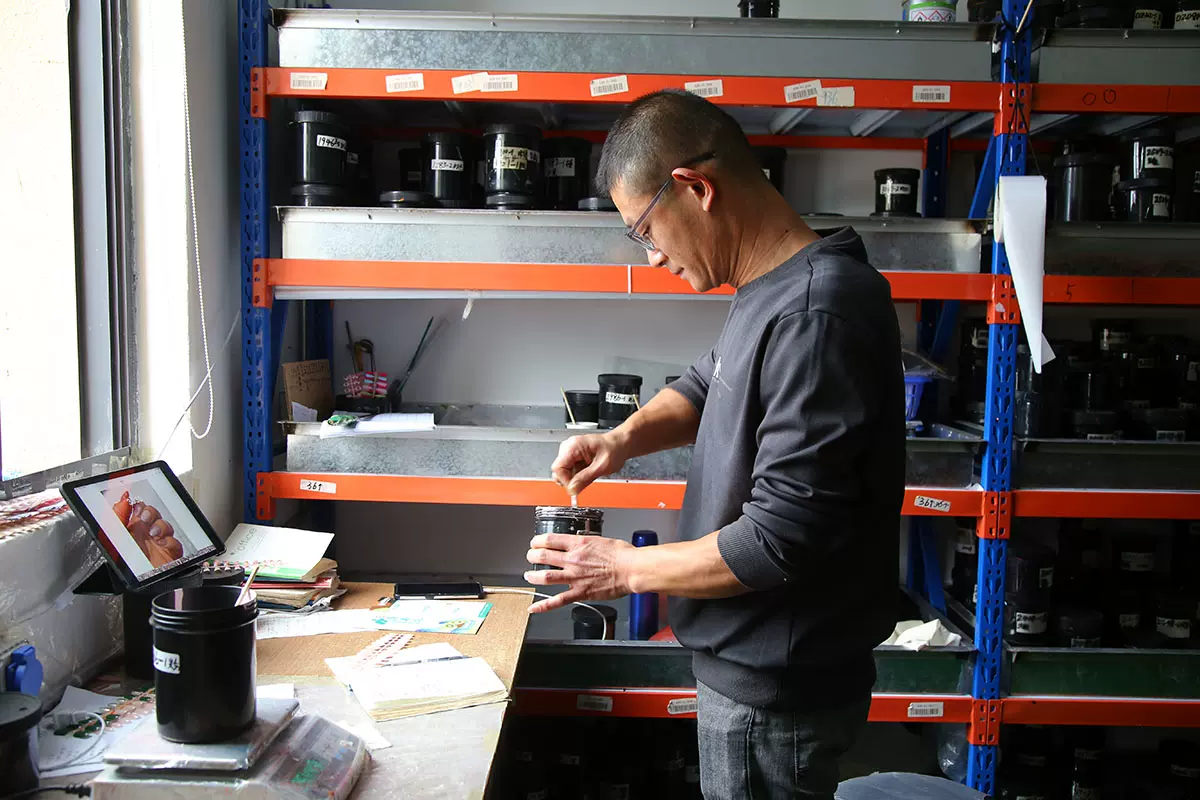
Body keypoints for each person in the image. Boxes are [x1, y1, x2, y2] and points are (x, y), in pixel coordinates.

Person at [524, 90, 905, 800]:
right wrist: (621, 439)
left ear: (695, 188)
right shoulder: (774, 287)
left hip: (774, 694)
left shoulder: (816, 310)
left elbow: (779, 539)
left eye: (644, 229)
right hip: (755, 674)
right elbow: (707, 383)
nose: (651, 256)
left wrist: (623, 568)